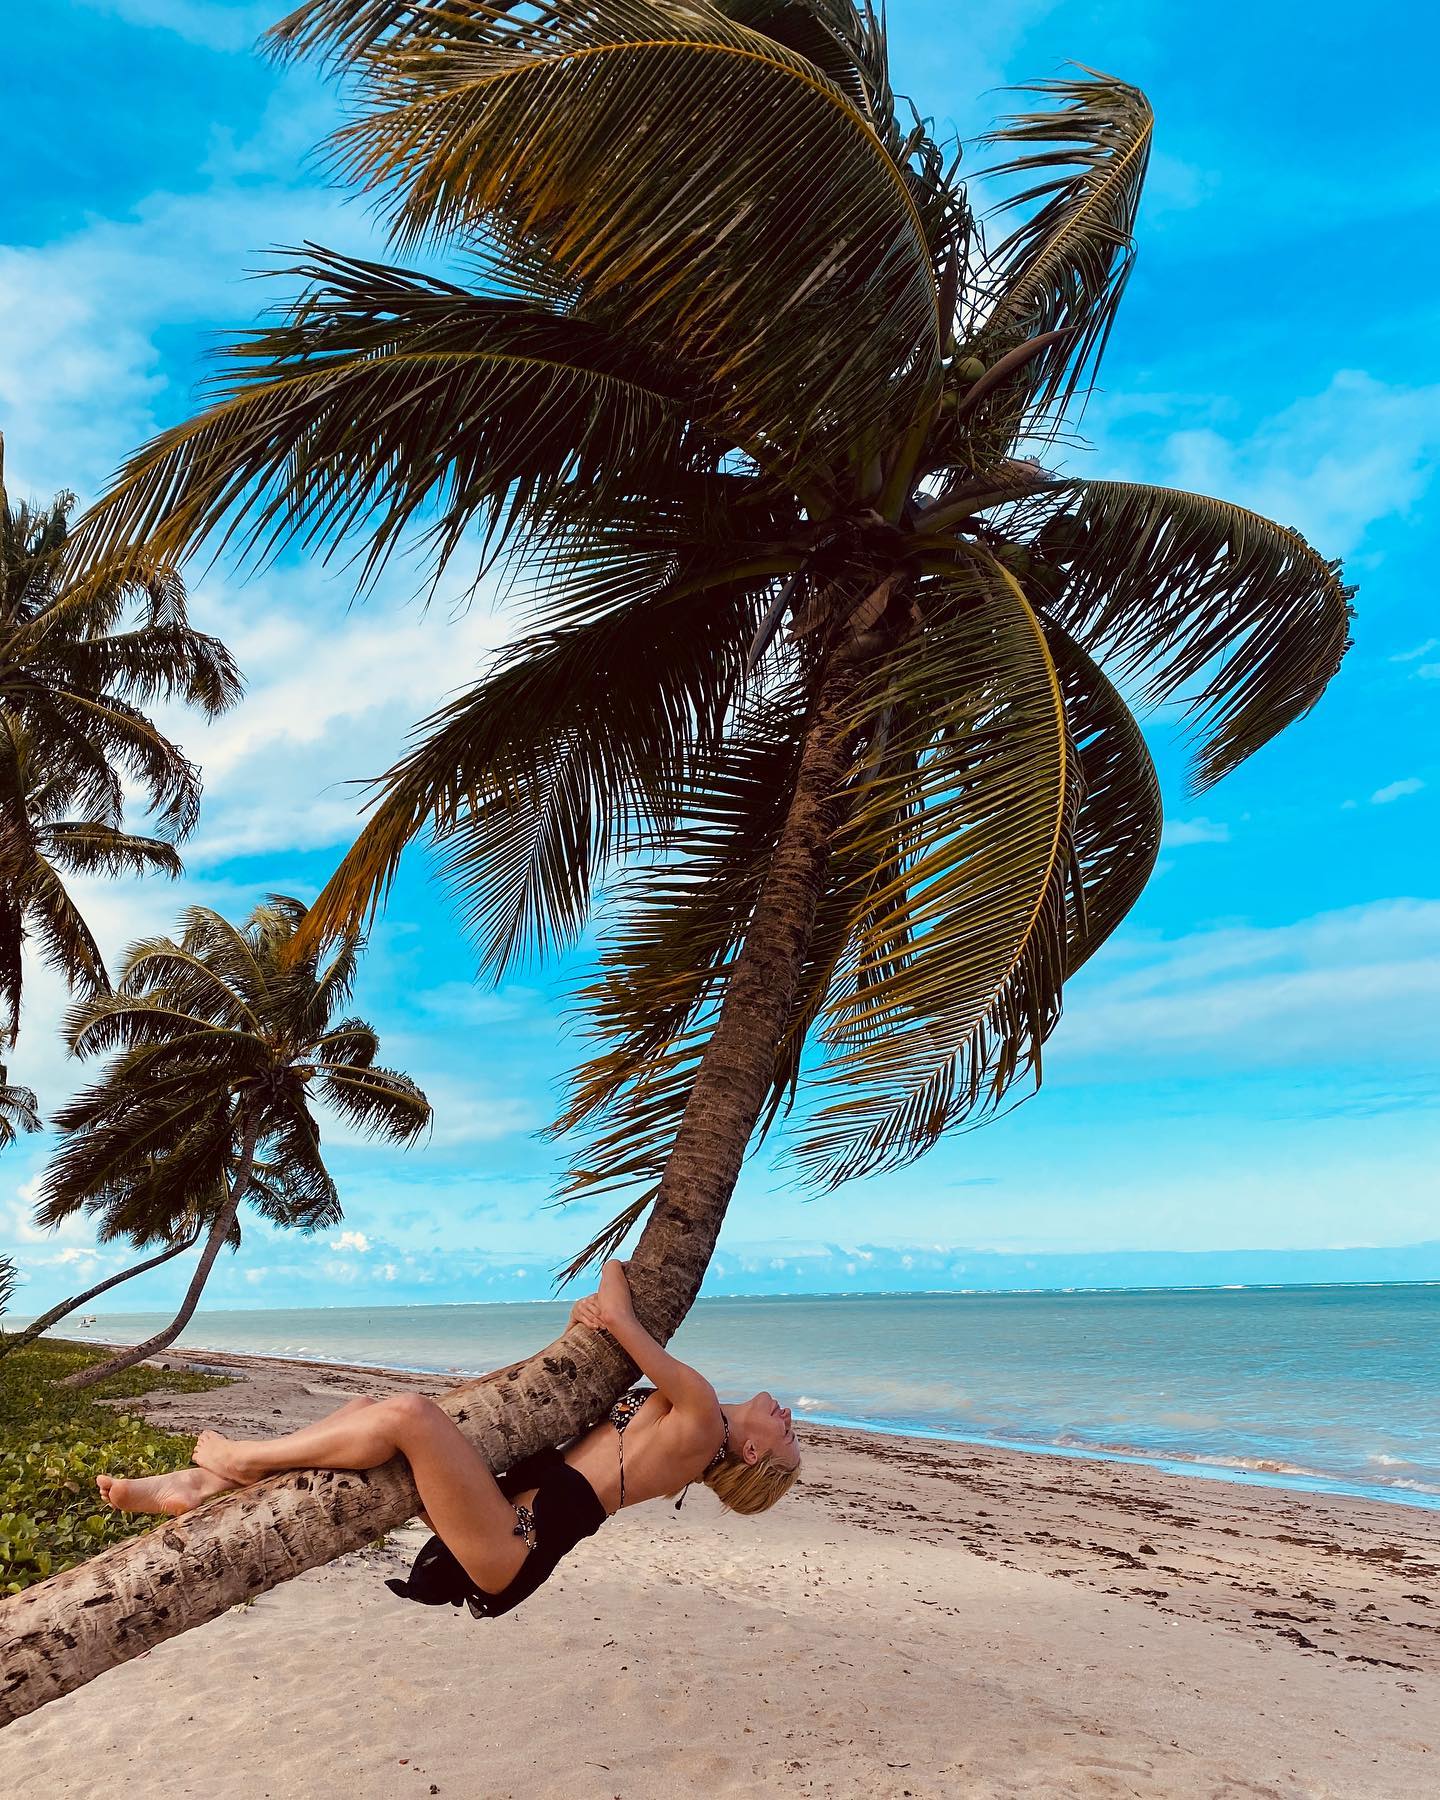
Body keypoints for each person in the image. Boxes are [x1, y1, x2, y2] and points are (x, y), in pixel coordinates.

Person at [96, 1260, 801, 1619]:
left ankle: (238, 1459)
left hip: (513, 1543)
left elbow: (617, 1296)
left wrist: (607, 1312)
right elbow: (606, 1327)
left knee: (408, 1415)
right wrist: (594, 1319)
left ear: (750, 1452)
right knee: (365, 1409)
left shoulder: (702, 1415)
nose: (788, 1414)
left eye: (785, 1434)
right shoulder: (687, 1424)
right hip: (506, 1519)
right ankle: (206, 1484)